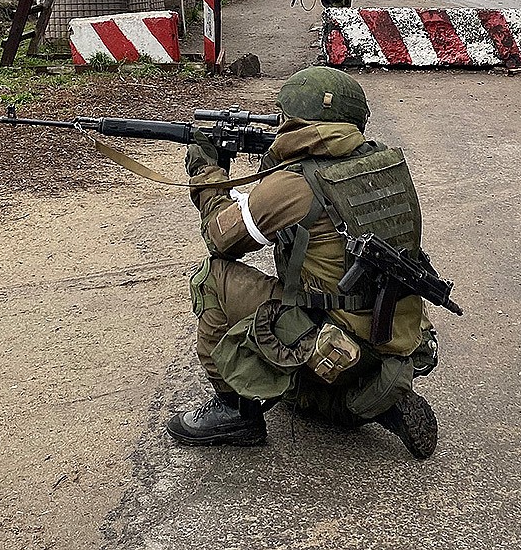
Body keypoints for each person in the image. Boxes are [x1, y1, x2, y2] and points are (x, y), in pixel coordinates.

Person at [166, 66, 444, 459]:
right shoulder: (383, 164)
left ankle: (235, 411)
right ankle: (377, 397)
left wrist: (206, 171)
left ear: (299, 120)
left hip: (336, 340)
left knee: (213, 278)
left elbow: (221, 237)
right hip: (393, 336)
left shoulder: (296, 184)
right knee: (319, 344)